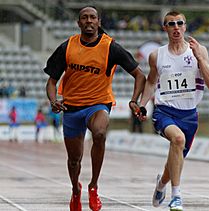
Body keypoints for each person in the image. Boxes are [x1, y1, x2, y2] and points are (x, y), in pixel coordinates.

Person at [44, 6, 145, 211]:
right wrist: (53, 100)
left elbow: (140, 75)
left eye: (92, 17)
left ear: (99, 22)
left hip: (98, 104)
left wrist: (134, 100)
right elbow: (52, 82)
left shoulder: (111, 47)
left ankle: (93, 186)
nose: (89, 21)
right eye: (84, 18)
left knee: (99, 133)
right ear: (78, 23)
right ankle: (75, 190)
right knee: (74, 160)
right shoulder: (67, 47)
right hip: (71, 107)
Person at [137, 11, 209, 211]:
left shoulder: (199, 51)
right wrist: (142, 104)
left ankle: (161, 184)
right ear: (165, 28)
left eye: (179, 23)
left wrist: (200, 58)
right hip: (165, 111)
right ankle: (177, 196)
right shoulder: (157, 55)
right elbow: (151, 82)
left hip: (190, 115)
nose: (176, 27)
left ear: (185, 26)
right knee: (178, 140)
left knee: (176, 157)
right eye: (170, 24)